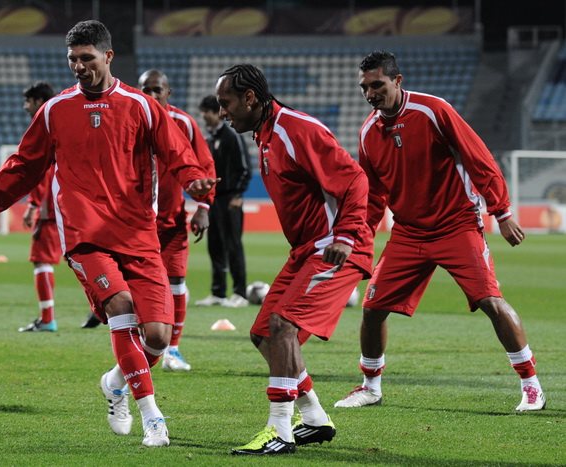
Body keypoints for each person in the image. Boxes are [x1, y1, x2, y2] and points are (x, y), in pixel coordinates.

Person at [0, 20, 218, 447]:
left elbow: (177, 153)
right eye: (73, 59)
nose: (79, 66)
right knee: (121, 309)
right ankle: (152, 417)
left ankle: (115, 382)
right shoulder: (55, 111)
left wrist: (195, 182)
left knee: (158, 338)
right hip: (86, 237)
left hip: (139, 236)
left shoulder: (141, 106)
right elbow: (20, 168)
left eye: (87, 58)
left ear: (108, 56)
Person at [334, 50, 545, 412]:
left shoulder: (433, 110)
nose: (370, 93)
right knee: (372, 308)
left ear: (397, 81)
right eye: (364, 87)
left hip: (457, 225)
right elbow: (373, 193)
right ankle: (370, 387)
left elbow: (479, 158)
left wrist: (502, 211)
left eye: (377, 85)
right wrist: (359, 235)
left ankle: (531, 385)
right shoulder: (368, 132)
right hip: (408, 233)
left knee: (491, 301)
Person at [214, 64, 374, 455]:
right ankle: (314, 417)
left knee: (283, 325)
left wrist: (346, 237)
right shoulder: (266, 133)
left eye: (226, 102)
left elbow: (355, 179)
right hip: (306, 250)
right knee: (264, 334)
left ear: (250, 98)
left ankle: (280, 430)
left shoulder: (296, 129)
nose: (222, 112)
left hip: (335, 248)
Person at [138, 69, 216, 371]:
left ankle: (173, 349)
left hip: (171, 221)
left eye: (156, 90)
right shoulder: (129, 118)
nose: (151, 95)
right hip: (135, 223)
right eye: (146, 89)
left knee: (176, 281)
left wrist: (203, 206)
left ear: (168, 93)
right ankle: (140, 346)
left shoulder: (183, 123)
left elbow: (204, 165)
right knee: (134, 287)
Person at [196, 94, 251, 308]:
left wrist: (238, 195)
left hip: (230, 198)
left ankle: (240, 293)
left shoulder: (232, 136)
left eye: (206, 113)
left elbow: (245, 168)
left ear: (215, 113)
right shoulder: (209, 138)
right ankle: (218, 292)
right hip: (214, 198)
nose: (204, 117)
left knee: (233, 245)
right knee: (215, 245)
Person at [17, 81, 61, 333]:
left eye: (28, 101)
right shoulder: (62, 121)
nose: (25, 106)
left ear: (38, 101)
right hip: (71, 204)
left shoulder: (44, 125)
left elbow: (42, 170)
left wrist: (34, 204)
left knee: (41, 260)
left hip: (51, 208)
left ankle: (47, 319)